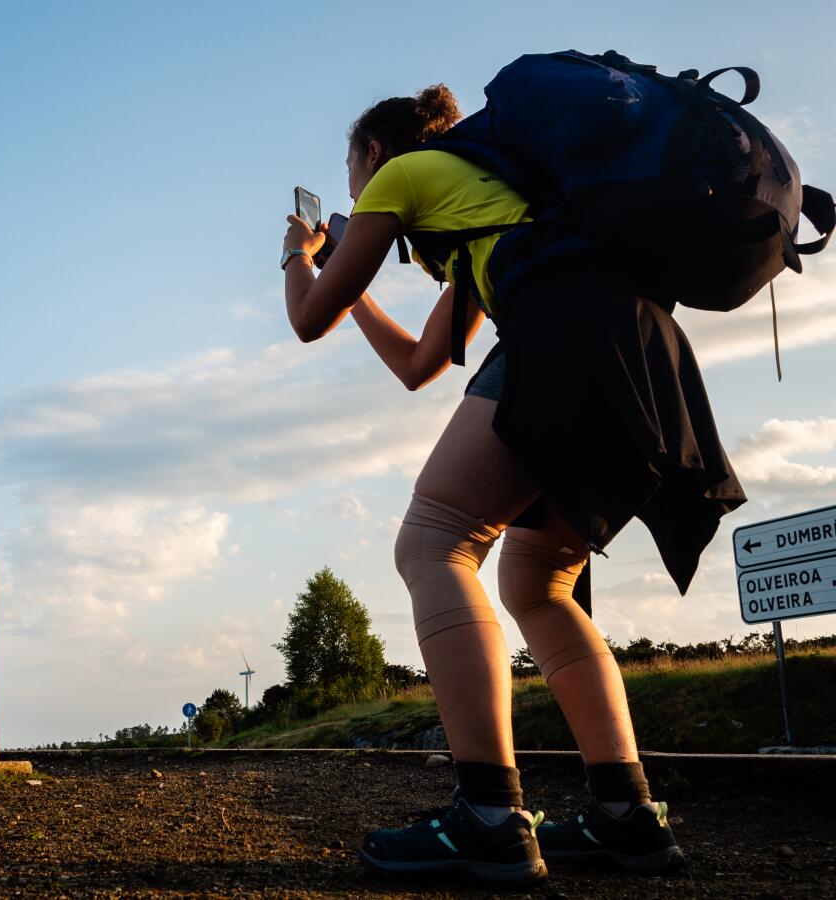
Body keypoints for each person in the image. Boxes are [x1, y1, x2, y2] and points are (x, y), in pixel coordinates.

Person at [281, 85, 743, 886]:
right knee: (537, 581)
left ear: (374, 155)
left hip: (562, 336)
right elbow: (420, 367)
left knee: (434, 542)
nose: (354, 190)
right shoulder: (492, 211)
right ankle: (625, 814)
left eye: (352, 168)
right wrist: (351, 288)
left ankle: (489, 817)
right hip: (639, 350)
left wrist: (301, 255)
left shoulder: (406, 175)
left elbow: (306, 318)